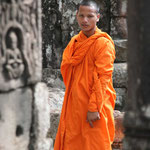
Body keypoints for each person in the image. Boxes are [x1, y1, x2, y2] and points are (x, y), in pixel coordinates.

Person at [54, 0, 116, 150]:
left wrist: (94, 108)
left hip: (94, 103)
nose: (85, 20)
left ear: (98, 17)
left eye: (90, 16)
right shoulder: (75, 42)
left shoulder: (103, 43)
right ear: (76, 16)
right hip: (75, 102)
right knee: (73, 140)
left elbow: (103, 77)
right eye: (81, 16)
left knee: (94, 142)